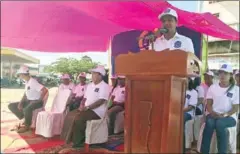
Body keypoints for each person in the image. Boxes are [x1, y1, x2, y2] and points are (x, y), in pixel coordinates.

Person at [60, 65, 110, 148]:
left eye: (94, 73)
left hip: (97, 112)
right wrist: (81, 105)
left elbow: (101, 101)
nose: (92, 75)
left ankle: (79, 143)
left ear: (100, 75)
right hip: (86, 109)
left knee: (79, 118)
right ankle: (70, 139)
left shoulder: (104, 86)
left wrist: (87, 107)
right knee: (70, 115)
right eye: (92, 73)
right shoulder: (90, 85)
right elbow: (85, 98)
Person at [200, 64, 239, 154]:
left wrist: (224, 115)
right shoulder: (213, 88)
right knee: (209, 123)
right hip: (213, 114)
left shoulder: (236, 89)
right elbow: (208, 104)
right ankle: (204, 151)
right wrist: (212, 112)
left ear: (230, 75)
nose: (222, 75)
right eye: (220, 73)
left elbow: (235, 108)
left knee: (220, 124)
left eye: (225, 73)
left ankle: (222, 152)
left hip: (229, 117)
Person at [8, 66, 48, 133]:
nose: (19, 76)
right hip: (29, 101)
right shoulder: (27, 82)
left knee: (27, 109)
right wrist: (21, 102)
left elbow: (45, 90)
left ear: (23, 74)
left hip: (37, 102)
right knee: (11, 106)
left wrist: (40, 100)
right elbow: (25, 94)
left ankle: (27, 126)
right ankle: (25, 119)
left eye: (20, 74)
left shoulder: (33, 82)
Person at [183, 78, 198, 152]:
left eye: (187, 79)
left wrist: (179, 111)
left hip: (188, 113)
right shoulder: (178, 88)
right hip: (177, 112)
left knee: (179, 119)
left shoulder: (193, 92)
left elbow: (191, 107)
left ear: (190, 81)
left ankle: (183, 147)